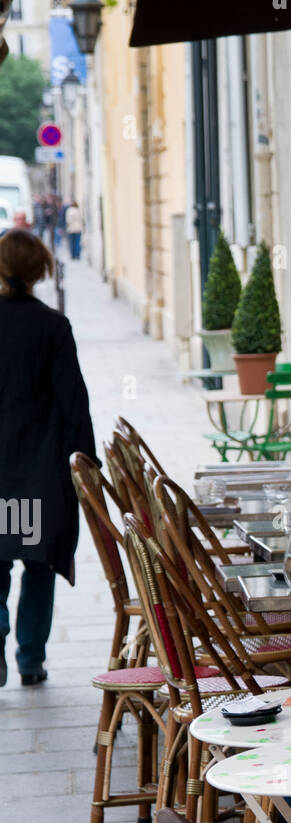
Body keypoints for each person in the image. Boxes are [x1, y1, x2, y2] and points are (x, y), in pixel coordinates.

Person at [0, 231, 96, 687]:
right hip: (38, 476)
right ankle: (30, 658)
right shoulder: (53, 326)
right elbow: (74, 404)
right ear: (39, 270)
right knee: (38, 565)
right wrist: (88, 468)